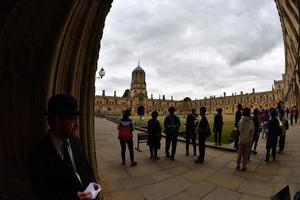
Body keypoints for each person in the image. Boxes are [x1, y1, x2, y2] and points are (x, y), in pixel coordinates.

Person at [30, 94, 99, 200]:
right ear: (58, 121)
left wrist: (92, 188)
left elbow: (87, 169)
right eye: (73, 119)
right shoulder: (38, 155)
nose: (77, 124)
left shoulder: (75, 142)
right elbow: (43, 194)